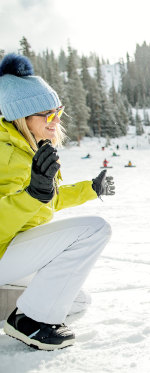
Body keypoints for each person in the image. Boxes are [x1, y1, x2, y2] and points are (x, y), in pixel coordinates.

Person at [0, 53, 116, 350]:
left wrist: (90, 188)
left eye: (58, 112)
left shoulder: (29, 148)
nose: (56, 121)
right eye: (47, 114)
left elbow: (47, 200)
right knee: (95, 229)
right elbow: (27, 202)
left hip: (10, 250)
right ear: (22, 117)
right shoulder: (5, 153)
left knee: (75, 300)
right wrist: (31, 196)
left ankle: (14, 306)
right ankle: (31, 323)